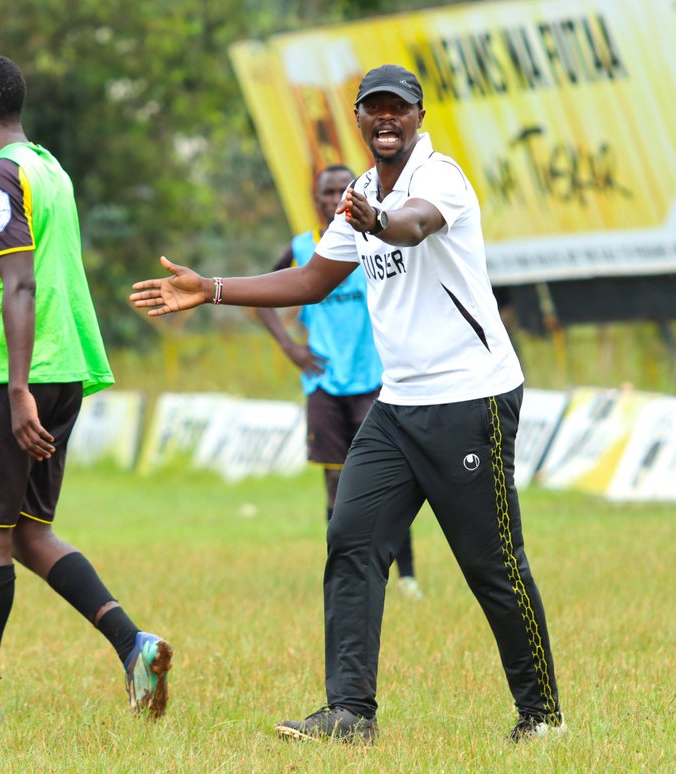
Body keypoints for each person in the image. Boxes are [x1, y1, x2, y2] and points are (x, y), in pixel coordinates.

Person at [132, 64, 561, 742]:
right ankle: (349, 714)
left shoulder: (437, 177)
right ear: (358, 119)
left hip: (469, 399)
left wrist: (380, 219)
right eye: (373, 110)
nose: (385, 119)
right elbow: (309, 279)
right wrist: (209, 288)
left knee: (492, 564)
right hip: (398, 406)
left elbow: (413, 227)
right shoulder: (359, 190)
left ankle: (542, 718)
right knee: (350, 539)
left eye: (398, 108)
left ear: (419, 116)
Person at [0, 54, 171, 725]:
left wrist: (14, 390)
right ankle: (134, 645)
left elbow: (20, 283)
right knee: (28, 530)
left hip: (8, 375)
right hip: (63, 368)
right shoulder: (48, 168)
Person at [255, 164, 422, 600]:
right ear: (314, 199)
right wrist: (291, 348)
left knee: (389, 479)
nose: (333, 199)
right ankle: (344, 574)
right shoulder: (301, 247)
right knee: (335, 482)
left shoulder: (375, 239)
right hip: (324, 383)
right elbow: (263, 300)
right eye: (325, 193)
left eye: (340, 191)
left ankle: (406, 575)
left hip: (374, 380)